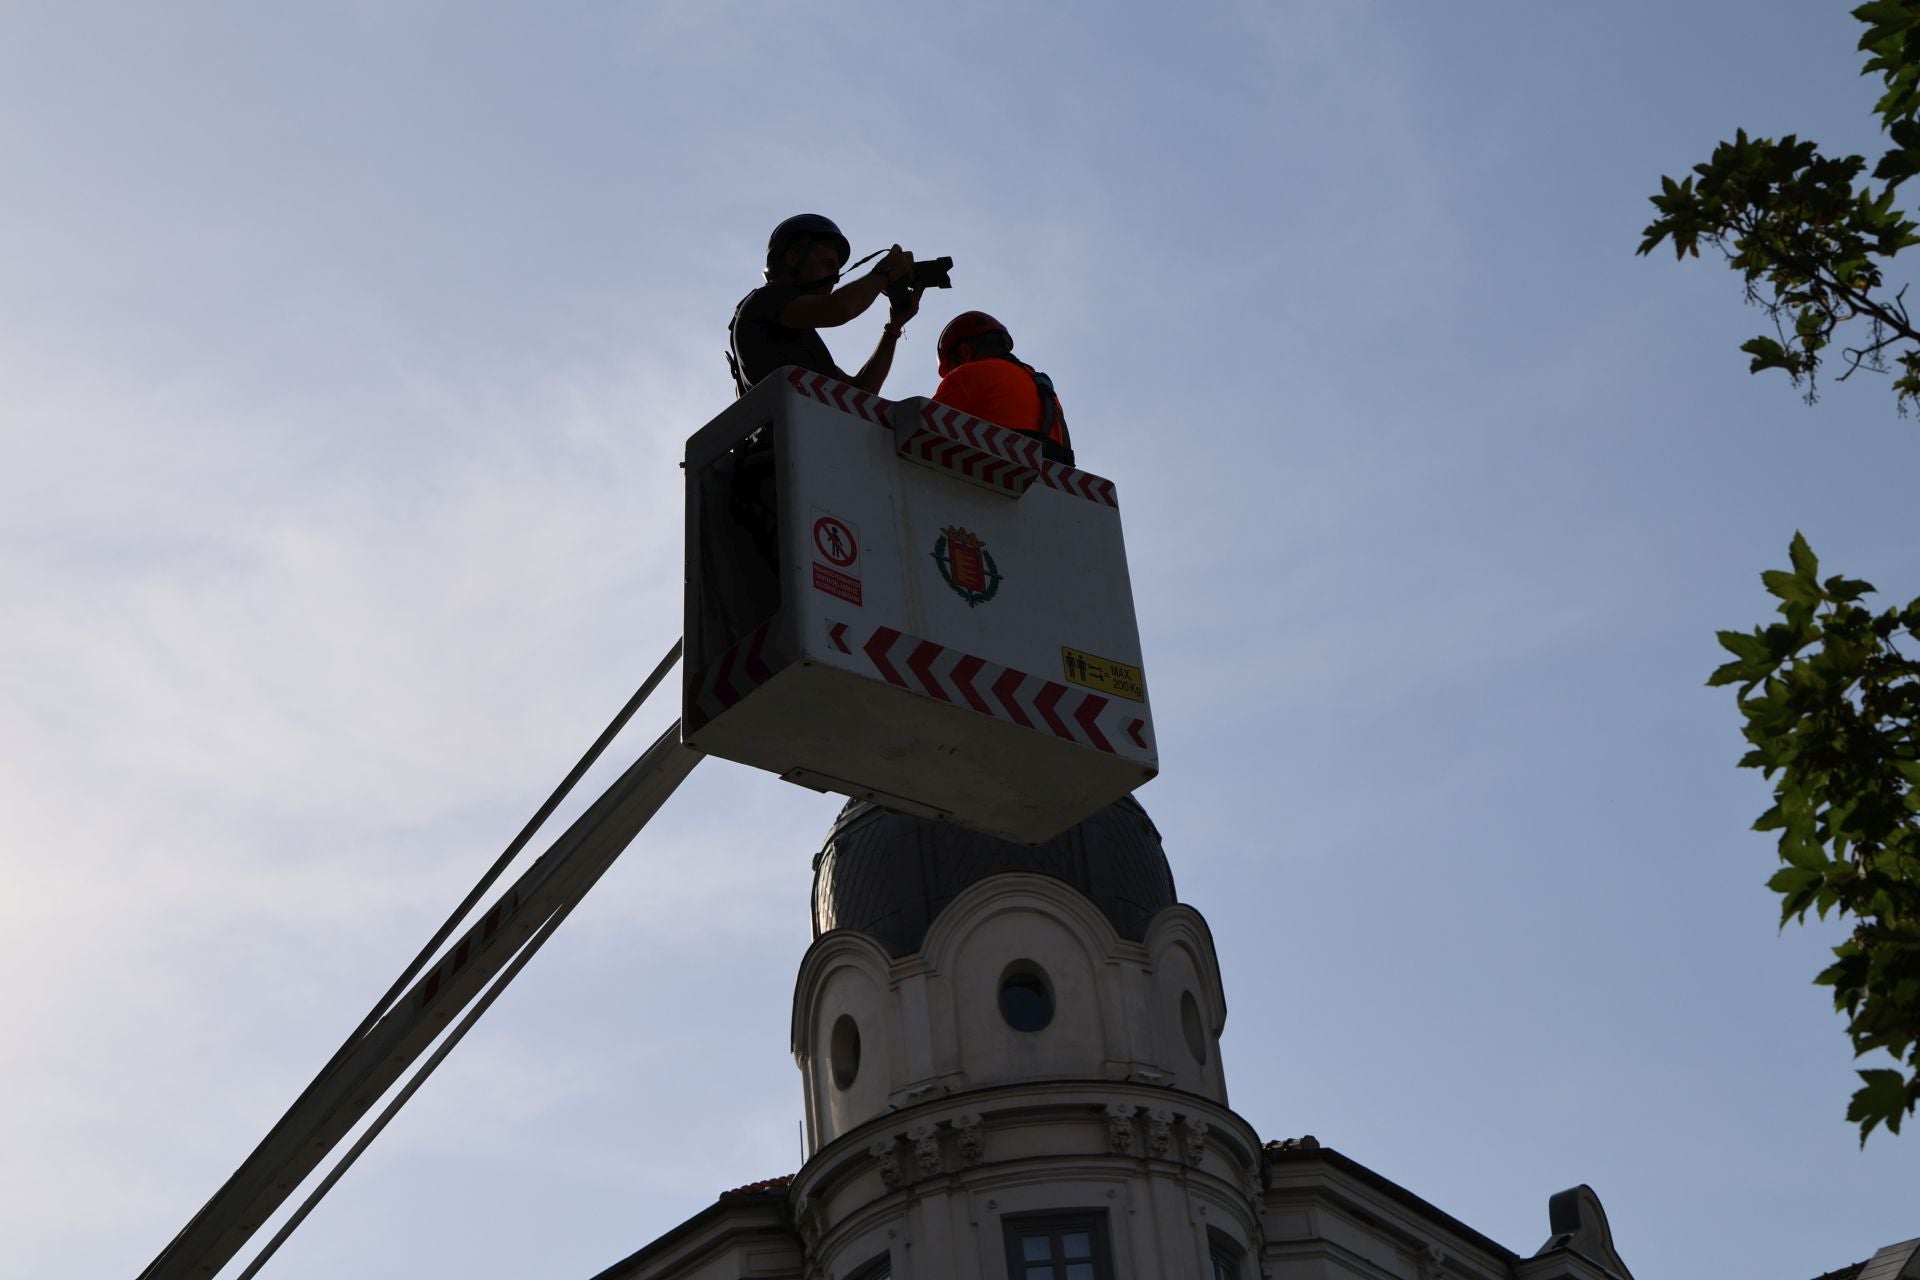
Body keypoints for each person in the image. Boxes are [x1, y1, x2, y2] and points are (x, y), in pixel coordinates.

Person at [728, 214, 925, 396]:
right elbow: (840, 308)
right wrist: (886, 272)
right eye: (827, 265)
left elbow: (861, 394)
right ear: (793, 258)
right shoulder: (765, 299)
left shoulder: (798, 342)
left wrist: (893, 328)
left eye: (837, 274)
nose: (833, 279)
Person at [930, 311, 1075, 464]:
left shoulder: (967, 375)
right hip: (1051, 479)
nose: (952, 374)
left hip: (1000, 473)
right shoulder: (1040, 385)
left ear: (964, 351)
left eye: (952, 368)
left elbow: (919, 422)